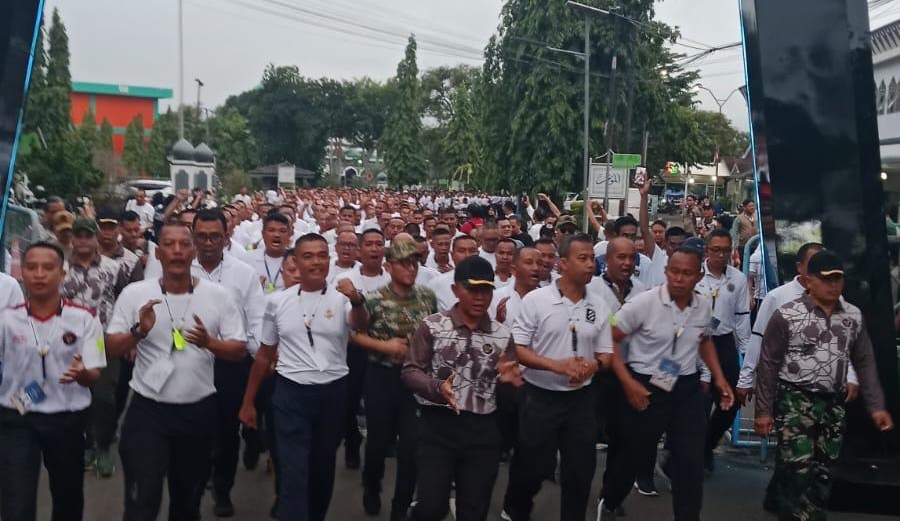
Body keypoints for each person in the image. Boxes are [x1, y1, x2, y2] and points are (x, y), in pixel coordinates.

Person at [106, 223, 248, 521]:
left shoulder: (218, 296)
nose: (178, 251)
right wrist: (138, 332)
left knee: (187, 501)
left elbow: (238, 350)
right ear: (159, 253)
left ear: (193, 251)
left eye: (184, 244)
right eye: (169, 245)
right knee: (142, 498)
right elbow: (109, 347)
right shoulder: (136, 294)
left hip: (198, 411)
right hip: (148, 411)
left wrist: (210, 343)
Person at [597, 246, 734, 521]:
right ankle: (609, 502)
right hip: (645, 386)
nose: (679, 279)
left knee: (690, 463)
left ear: (698, 276)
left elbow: (704, 340)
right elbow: (610, 339)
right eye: (674, 271)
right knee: (631, 456)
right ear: (665, 271)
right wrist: (628, 384)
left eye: (686, 273)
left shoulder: (703, 304)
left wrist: (719, 378)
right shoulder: (644, 303)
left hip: (685, 387)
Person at [755, 250, 894, 521]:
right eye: (826, 279)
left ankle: (812, 513)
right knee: (797, 469)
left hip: (833, 402)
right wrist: (763, 411)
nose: (833, 285)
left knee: (824, 470)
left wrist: (877, 406)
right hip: (795, 399)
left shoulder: (852, 316)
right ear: (808, 281)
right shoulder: (787, 316)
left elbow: (864, 360)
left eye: (838, 279)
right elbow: (769, 363)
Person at [239, 234, 368, 521]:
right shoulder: (277, 303)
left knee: (321, 470)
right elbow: (264, 354)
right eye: (308, 256)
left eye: (322, 255)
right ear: (295, 262)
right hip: (290, 395)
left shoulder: (343, 298)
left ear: (329, 259)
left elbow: (359, 323)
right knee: (293, 470)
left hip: (332, 394)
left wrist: (358, 301)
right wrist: (248, 401)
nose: (316, 262)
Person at [403, 256, 523, 521]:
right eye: (472, 289)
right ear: (456, 289)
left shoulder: (502, 335)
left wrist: (510, 385)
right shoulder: (433, 325)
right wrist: (436, 388)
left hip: (483, 431)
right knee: (431, 507)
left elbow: (510, 382)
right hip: (438, 428)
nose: (480, 297)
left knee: (474, 509)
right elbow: (411, 371)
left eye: (486, 290)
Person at [508, 234, 614, 521]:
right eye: (583, 258)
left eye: (593, 258)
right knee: (532, 466)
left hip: (581, 401)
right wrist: (557, 366)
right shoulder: (536, 300)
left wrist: (592, 366)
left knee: (580, 470)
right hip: (540, 396)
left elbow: (607, 354)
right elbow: (518, 349)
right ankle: (516, 507)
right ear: (562, 263)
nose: (591, 264)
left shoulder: (600, 305)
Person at [0, 242, 106, 521]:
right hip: (17, 417)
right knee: (16, 500)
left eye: (48, 268)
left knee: (68, 497)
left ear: (63, 273)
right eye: (32, 267)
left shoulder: (86, 319)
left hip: (67, 418)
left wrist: (83, 374)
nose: (39, 274)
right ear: (21, 272)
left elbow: (95, 370)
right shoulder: (6, 319)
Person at [350, 241, 437, 521]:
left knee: (411, 446)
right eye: (404, 263)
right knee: (378, 442)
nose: (411, 268)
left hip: (414, 379)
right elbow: (355, 334)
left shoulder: (427, 296)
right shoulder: (373, 299)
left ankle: (401, 506)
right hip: (381, 378)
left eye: (414, 263)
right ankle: (372, 486)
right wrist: (386, 346)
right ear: (389, 267)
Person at [189, 209, 266, 518]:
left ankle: (222, 488)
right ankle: (194, 486)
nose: (208, 243)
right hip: (189, 360)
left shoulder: (243, 273)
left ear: (226, 237)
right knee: (193, 430)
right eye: (202, 236)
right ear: (193, 237)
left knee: (225, 431)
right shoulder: (180, 269)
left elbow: (256, 318)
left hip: (230, 362)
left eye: (215, 236)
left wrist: (254, 353)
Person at [60, 217, 130, 478]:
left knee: (104, 397)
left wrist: (127, 337)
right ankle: (87, 444)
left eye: (88, 236)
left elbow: (126, 301)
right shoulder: (61, 268)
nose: (83, 241)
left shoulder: (113, 268)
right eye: (78, 236)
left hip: (104, 340)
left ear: (96, 238)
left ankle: (103, 447)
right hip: (68, 343)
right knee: (79, 396)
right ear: (72, 239)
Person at [695, 229, 751, 473]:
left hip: (724, 342)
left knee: (732, 401)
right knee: (700, 402)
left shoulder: (737, 279)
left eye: (726, 251)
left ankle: (707, 444)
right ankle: (694, 455)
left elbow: (742, 319)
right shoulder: (695, 276)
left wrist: (747, 356)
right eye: (716, 250)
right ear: (706, 251)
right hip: (696, 343)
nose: (721, 255)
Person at [337, 228, 391, 470]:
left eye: (379, 244)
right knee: (348, 403)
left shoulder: (391, 280)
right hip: (352, 349)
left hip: (384, 350)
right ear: (360, 250)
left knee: (379, 406)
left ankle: (378, 450)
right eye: (368, 244)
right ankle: (351, 442)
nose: (374, 249)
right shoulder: (345, 280)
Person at [247, 213, 292, 294]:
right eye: (271, 230)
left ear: (289, 235)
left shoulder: (296, 260)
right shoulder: (248, 258)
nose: (277, 235)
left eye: (282, 231)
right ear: (263, 234)